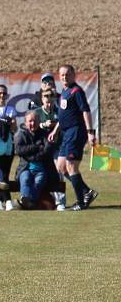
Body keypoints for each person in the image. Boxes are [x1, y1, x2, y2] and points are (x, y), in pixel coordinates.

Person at [48, 64, 99, 210]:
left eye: (67, 74)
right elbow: (64, 116)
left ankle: (81, 202)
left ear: (73, 75)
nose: (64, 77)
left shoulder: (77, 91)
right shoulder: (64, 92)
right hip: (65, 133)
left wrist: (90, 133)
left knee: (71, 166)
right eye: (62, 75)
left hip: (76, 132)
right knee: (61, 167)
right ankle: (87, 192)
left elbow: (86, 111)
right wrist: (55, 130)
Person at [14, 111, 57, 209]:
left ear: (39, 122)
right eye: (30, 121)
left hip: (41, 169)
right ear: (25, 122)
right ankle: (30, 202)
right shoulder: (20, 134)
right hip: (25, 168)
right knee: (25, 179)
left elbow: (48, 151)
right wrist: (36, 147)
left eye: (35, 121)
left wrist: (30, 155)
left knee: (39, 182)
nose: (32, 123)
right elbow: (19, 150)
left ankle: (25, 201)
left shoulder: (45, 134)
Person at [35, 87, 66, 210]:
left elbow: (65, 126)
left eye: (51, 96)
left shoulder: (59, 112)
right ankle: (41, 200)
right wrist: (43, 125)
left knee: (58, 174)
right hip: (41, 149)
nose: (48, 99)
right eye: (46, 96)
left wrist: (55, 126)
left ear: (54, 98)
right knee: (40, 174)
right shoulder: (37, 112)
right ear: (42, 98)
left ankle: (60, 202)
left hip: (56, 148)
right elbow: (30, 126)